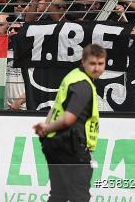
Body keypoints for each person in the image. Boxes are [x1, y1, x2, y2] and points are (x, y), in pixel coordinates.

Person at [32, 44, 105, 202]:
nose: (96, 68)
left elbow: (56, 106)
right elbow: (68, 119)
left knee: (59, 195)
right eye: (92, 63)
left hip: (55, 143)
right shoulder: (83, 85)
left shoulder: (73, 75)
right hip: (70, 146)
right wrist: (47, 127)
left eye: (100, 64)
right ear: (83, 61)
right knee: (80, 197)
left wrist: (46, 128)